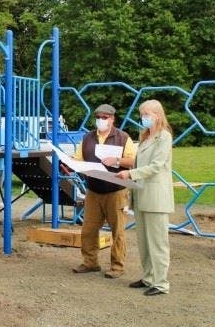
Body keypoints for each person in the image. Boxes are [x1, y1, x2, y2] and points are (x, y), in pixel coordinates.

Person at [116, 99, 174, 296]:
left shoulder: (164, 137)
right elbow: (140, 162)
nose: (143, 118)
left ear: (157, 115)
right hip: (141, 196)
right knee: (144, 241)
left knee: (157, 242)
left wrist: (130, 174)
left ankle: (161, 283)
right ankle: (149, 277)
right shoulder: (146, 137)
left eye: (147, 114)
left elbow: (157, 165)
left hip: (156, 197)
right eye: (142, 115)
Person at [71, 103, 136, 279]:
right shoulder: (87, 138)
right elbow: (79, 159)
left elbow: (133, 161)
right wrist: (72, 166)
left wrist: (117, 160)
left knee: (118, 231)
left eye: (104, 117)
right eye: (98, 117)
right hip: (93, 190)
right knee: (88, 229)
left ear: (112, 119)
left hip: (116, 190)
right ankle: (90, 262)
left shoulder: (123, 138)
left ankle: (117, 266)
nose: (100, 120)